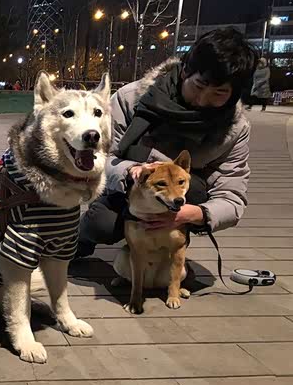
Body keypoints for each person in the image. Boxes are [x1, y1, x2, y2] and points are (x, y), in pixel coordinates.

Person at [77, 28, 258, 257]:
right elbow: (99, 157)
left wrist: (196, 214)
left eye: (219, 93)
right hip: (125, 190)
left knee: (195, 189)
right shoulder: (131, 99)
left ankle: (169, 246)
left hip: (182, 201)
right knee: (102, 223)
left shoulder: (234, 128)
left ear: (234, 94)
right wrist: (130, 170)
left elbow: (231, 195)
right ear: (184, 72)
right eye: (199, 86)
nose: (203, 100)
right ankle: (77, 242)